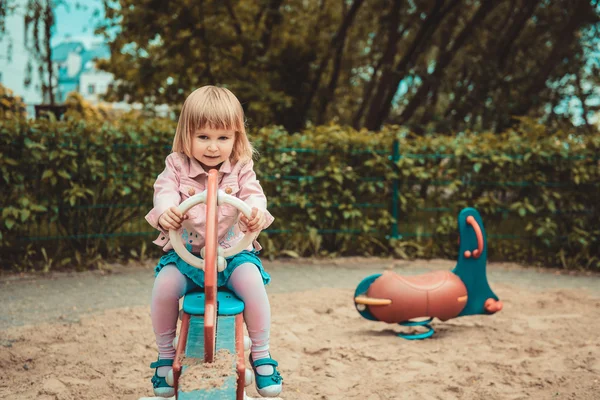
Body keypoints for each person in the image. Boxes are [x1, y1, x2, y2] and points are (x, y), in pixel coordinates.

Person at [144, 86, 283, 398]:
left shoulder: (241, 167)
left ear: (236, 137)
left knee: (252, 282)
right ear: (187, 134)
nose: (213, 146)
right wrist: (167, 212)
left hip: (232, 255)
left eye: (223, 137)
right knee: (164, 286)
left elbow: (253, 194)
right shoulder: (177, 166)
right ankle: (166, 355)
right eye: (203, 136)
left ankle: (261, 354)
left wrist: (256, 214)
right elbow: (164, 190)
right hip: (187, 257)